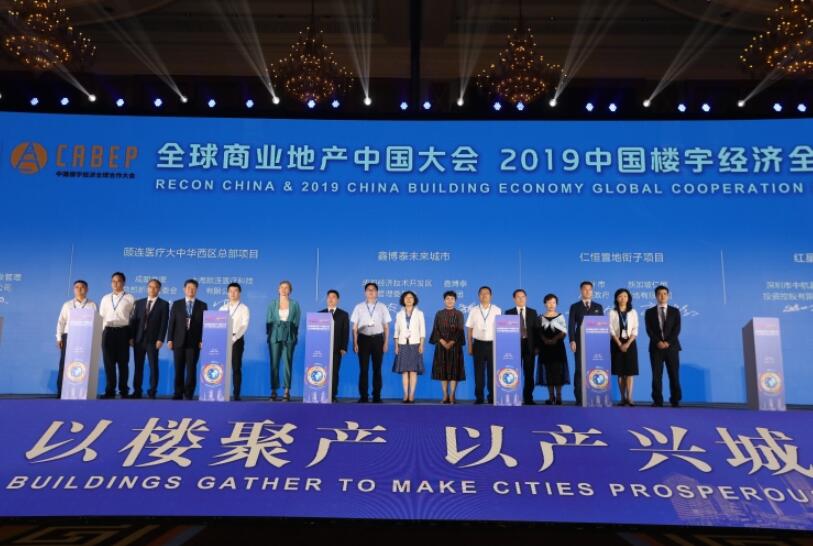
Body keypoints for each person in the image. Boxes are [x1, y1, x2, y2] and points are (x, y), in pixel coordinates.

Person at [55, 280, 97, 398]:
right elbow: (61, 322)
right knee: (65, 364)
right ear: (73, 290)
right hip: (69, 336)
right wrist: (59, 337)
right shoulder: (67, 304)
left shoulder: (92, 305)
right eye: (77, 287)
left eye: (82, 287)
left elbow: (95, 322)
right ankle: (61, 392)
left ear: (87, 289)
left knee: (84, 363)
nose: (79, 289)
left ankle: (81, 392)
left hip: (85, 337)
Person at [351, 282, 392, 403]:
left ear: (377, 292)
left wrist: (385, 342)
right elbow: (354, 327)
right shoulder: (359, 307)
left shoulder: (382, 307)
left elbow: (386, 327)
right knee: (363, 369)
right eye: (368, 290)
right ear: (365, 292)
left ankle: (377, 396)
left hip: (378, 339)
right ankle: (363, 396)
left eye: (373, 290)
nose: (371, 292)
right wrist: (355, 343)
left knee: (377, 369)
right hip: (363, 339)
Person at [129, 278, 169, 399]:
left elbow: (164, 323)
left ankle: (152, 391)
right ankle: (137, 391)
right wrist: (131, 337)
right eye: (150, 287)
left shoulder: (164, 304)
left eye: (155, 287)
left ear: (159, 289)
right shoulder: (139, 303)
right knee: (138, 366)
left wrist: (160, 339)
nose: (152, 289)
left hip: (153, 340)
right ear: (147, 288)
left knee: (153, 366)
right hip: (139, 339)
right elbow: (134, 321)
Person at [167, 279, 207, 400]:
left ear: (196, 290)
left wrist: (202, 339)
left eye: (193, 288)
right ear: (184, 289)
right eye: (189, 288)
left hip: (194, 342)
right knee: (178, 368)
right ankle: (178, 393)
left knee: (191, 369)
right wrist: (169, 339)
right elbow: (171, 322)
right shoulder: (176, 304)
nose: (191, 290)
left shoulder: (202, 305)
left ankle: (189, 393)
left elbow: (204, 325)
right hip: (178, 341)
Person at [98, 272, 135, 399]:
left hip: (123, 332)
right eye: (113, 281)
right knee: (108, 363)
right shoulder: (105, 298)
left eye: (118, 281)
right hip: (108, 332)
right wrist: (101, 334)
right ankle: (110, 390)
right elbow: (101, 317)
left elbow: (133, 318)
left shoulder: (130, 298)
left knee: (123, 363)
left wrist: (131, 336)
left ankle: (124, 390)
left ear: (123, 283)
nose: (115, 283)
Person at [644, 285, 682, 407]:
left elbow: (677, 329)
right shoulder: (649, 312)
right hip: (656, 348)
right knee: (656, 375)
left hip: (672, 347)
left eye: (665, 294)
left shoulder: (675, 311)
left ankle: (675, 400)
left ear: (668, 296)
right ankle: (657, 400)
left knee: (674, 374)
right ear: (656, 296)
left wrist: (667, 342)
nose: (662, 296)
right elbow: (649, 330)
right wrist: (658, 342)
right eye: (660, 294)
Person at [568, 281, 604, 405]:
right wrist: (572, 340)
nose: (587, 291)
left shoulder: (598, 306)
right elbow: (571, 325)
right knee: (579, 369)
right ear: (581, 291)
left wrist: (601, 343)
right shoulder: (575, 306)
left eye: (589, 289)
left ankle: (594, 395)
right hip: (579, 342)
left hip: (595, 343)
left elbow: (601, 325)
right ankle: (579, 397)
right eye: (585, 289)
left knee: (595, 368)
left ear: (592, 291)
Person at [466, 286, 502, 404]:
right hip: (478, 344)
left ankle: (492, 397)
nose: (484, 295)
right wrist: (470, 346)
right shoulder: (473, 310)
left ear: (491, 296)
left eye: (487, 293)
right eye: (482, 293)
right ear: (478, 296)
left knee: (492, 372)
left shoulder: (497, 310)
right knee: (479, 372)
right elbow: (469, 329)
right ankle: (479, 397)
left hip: (493, 344)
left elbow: (501, 329)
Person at [266, 280, 301, 402]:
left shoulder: (295, 304)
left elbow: (296, 322)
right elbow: (269, 321)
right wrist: (270, 335)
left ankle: (286, 391)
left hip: (289, 336)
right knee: (274, 363)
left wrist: (293, 336)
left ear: (290, 290)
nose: (284, 289)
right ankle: (273, 390)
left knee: (287, 363)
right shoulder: (272, 304)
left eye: (286, 288)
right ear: (278, 289)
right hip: (274, 336)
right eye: (281, 287)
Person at [429, 290, 466, 404]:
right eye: (447, 299)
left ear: (455, 301)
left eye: (452, 299)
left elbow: (460, 330)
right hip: (441, 346)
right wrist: (442, 342)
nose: (450, 301)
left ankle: (452, 395)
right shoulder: (439, 313)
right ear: (444, 300)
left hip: (455, 347)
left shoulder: (459, 314)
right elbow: (436, 329)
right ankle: (445, 395)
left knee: (454, 371)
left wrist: (451, 342)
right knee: (443, 371)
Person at [505, 289, 538, 405]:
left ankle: (528, 397)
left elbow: (536, 331)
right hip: (514, 347)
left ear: (526, 298)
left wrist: (537, 347)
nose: (521, 299)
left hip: (529, 346)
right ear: (514, 299)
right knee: (513, 372)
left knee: (529, 373)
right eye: (518, 297)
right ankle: (513, 397)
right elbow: (506, 332)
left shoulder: (533, 312)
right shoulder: (508, 313)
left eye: (523, 297)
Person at [392, 290, 425, 403]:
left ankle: (412, 395)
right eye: (406, 297)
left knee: (413, 371)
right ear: (403, 300)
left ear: (414, 300)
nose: (409, 299)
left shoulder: (419, 313)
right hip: (402, 344)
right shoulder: (399, 314)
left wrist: (421, 344)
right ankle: (405, 394)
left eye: (411, 297)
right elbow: (396, 331)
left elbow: (422, 330)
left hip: (415, 344)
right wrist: (396, 346)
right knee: (405, 371)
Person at [536, 294, 569, 405]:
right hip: (545, 348)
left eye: (553, 302)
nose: (551, 304)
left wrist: (555, 339)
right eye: (549, 302)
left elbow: (564, 332)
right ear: (545, 303)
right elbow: (539, 332)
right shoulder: (540, 317)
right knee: (548, 371)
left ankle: (559, 397)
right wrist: (545, 340)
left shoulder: (560, 316)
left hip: (558, 347)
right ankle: (551, 397)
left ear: (556, 304)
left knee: (558, 371)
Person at [609, 288, 639, 406]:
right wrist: (619, 343)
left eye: (625, 296)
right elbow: (610, 329)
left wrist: (628, 343)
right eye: (620, 296)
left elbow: (635, 328)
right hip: (616, 343)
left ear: (628, 298)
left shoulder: (633, 312)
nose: (623, 298)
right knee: (620, 372)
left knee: (630, 372)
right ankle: (622, 398)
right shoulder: (612, 312)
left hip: (630, 343)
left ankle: (630, 398)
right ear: (616, 298)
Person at [220, 282, 250, 401]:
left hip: (236, 340)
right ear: (228, 293)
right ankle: (220, 392)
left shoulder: (244, 308)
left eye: (235, 291)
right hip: (222, 339)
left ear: (239, 293)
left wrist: (234, 338)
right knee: (221, 366)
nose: (233, 293)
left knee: (236, 367)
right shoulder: (222, 308)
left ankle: (236, 394)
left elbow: (244, 326)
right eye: (230, 291)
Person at [320, 289, 349, 402]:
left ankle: (332, 394)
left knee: (334, 372)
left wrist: (344, 347)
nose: (331, 299)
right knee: (321, 370)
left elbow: (345, 332)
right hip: (321, 349)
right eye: (329, 297)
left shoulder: (343, 314)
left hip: (336, 349)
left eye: (333, 297)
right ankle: (321, 392)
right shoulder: (320, 314)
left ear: (338, 300)